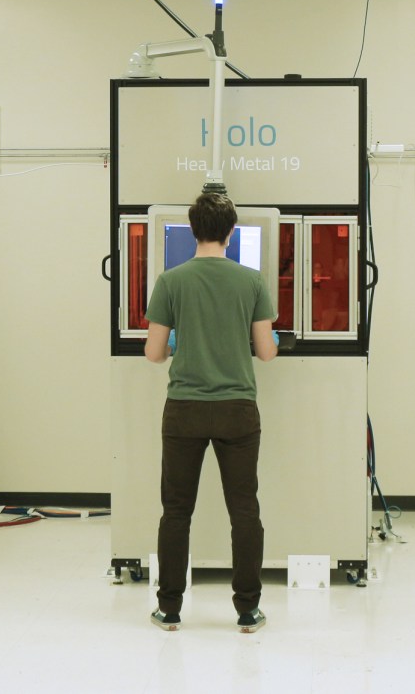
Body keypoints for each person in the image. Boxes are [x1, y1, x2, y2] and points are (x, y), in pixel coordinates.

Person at [143, 193, 278, 633]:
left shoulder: (171, 281)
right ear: (231, 232)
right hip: (238, 410)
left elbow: (153, 353)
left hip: (184, 410)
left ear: (192, 229)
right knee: (244, 510)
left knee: (176, 511)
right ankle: (247, 610)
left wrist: (179, 342)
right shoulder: (252, 281)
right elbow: (266, 352)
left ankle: (169, 609)